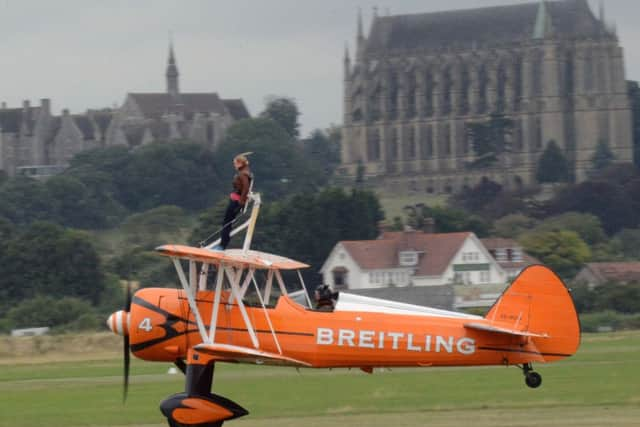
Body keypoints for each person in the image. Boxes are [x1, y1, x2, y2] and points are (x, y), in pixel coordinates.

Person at [213, 154, 252, 251]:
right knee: (227, 223)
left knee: (226, 224)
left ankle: (222, 245)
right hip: (236, 200)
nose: (234, 165)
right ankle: (222, 245)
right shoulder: (246, 172)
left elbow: (246, 188)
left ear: (240, 163)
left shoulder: (243, 174)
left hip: (236, 201)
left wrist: (241, 203)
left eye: (235, 163)